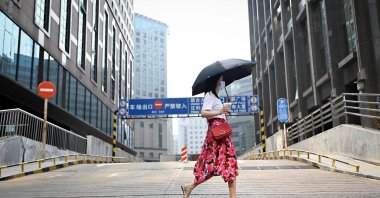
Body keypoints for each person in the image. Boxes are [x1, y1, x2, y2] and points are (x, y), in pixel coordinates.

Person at [181, 75, 239, 198]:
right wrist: (219, 112)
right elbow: (203, 113)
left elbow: (217, 114)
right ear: (215, 81)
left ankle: (189, 187)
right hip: (216, 137)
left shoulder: (216, 97)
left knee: (228, 166)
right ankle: (189, 187)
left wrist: (224, 110)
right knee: (214, 166)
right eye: (220, 79)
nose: (222, 81)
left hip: (222, 135)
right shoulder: (209, 95)